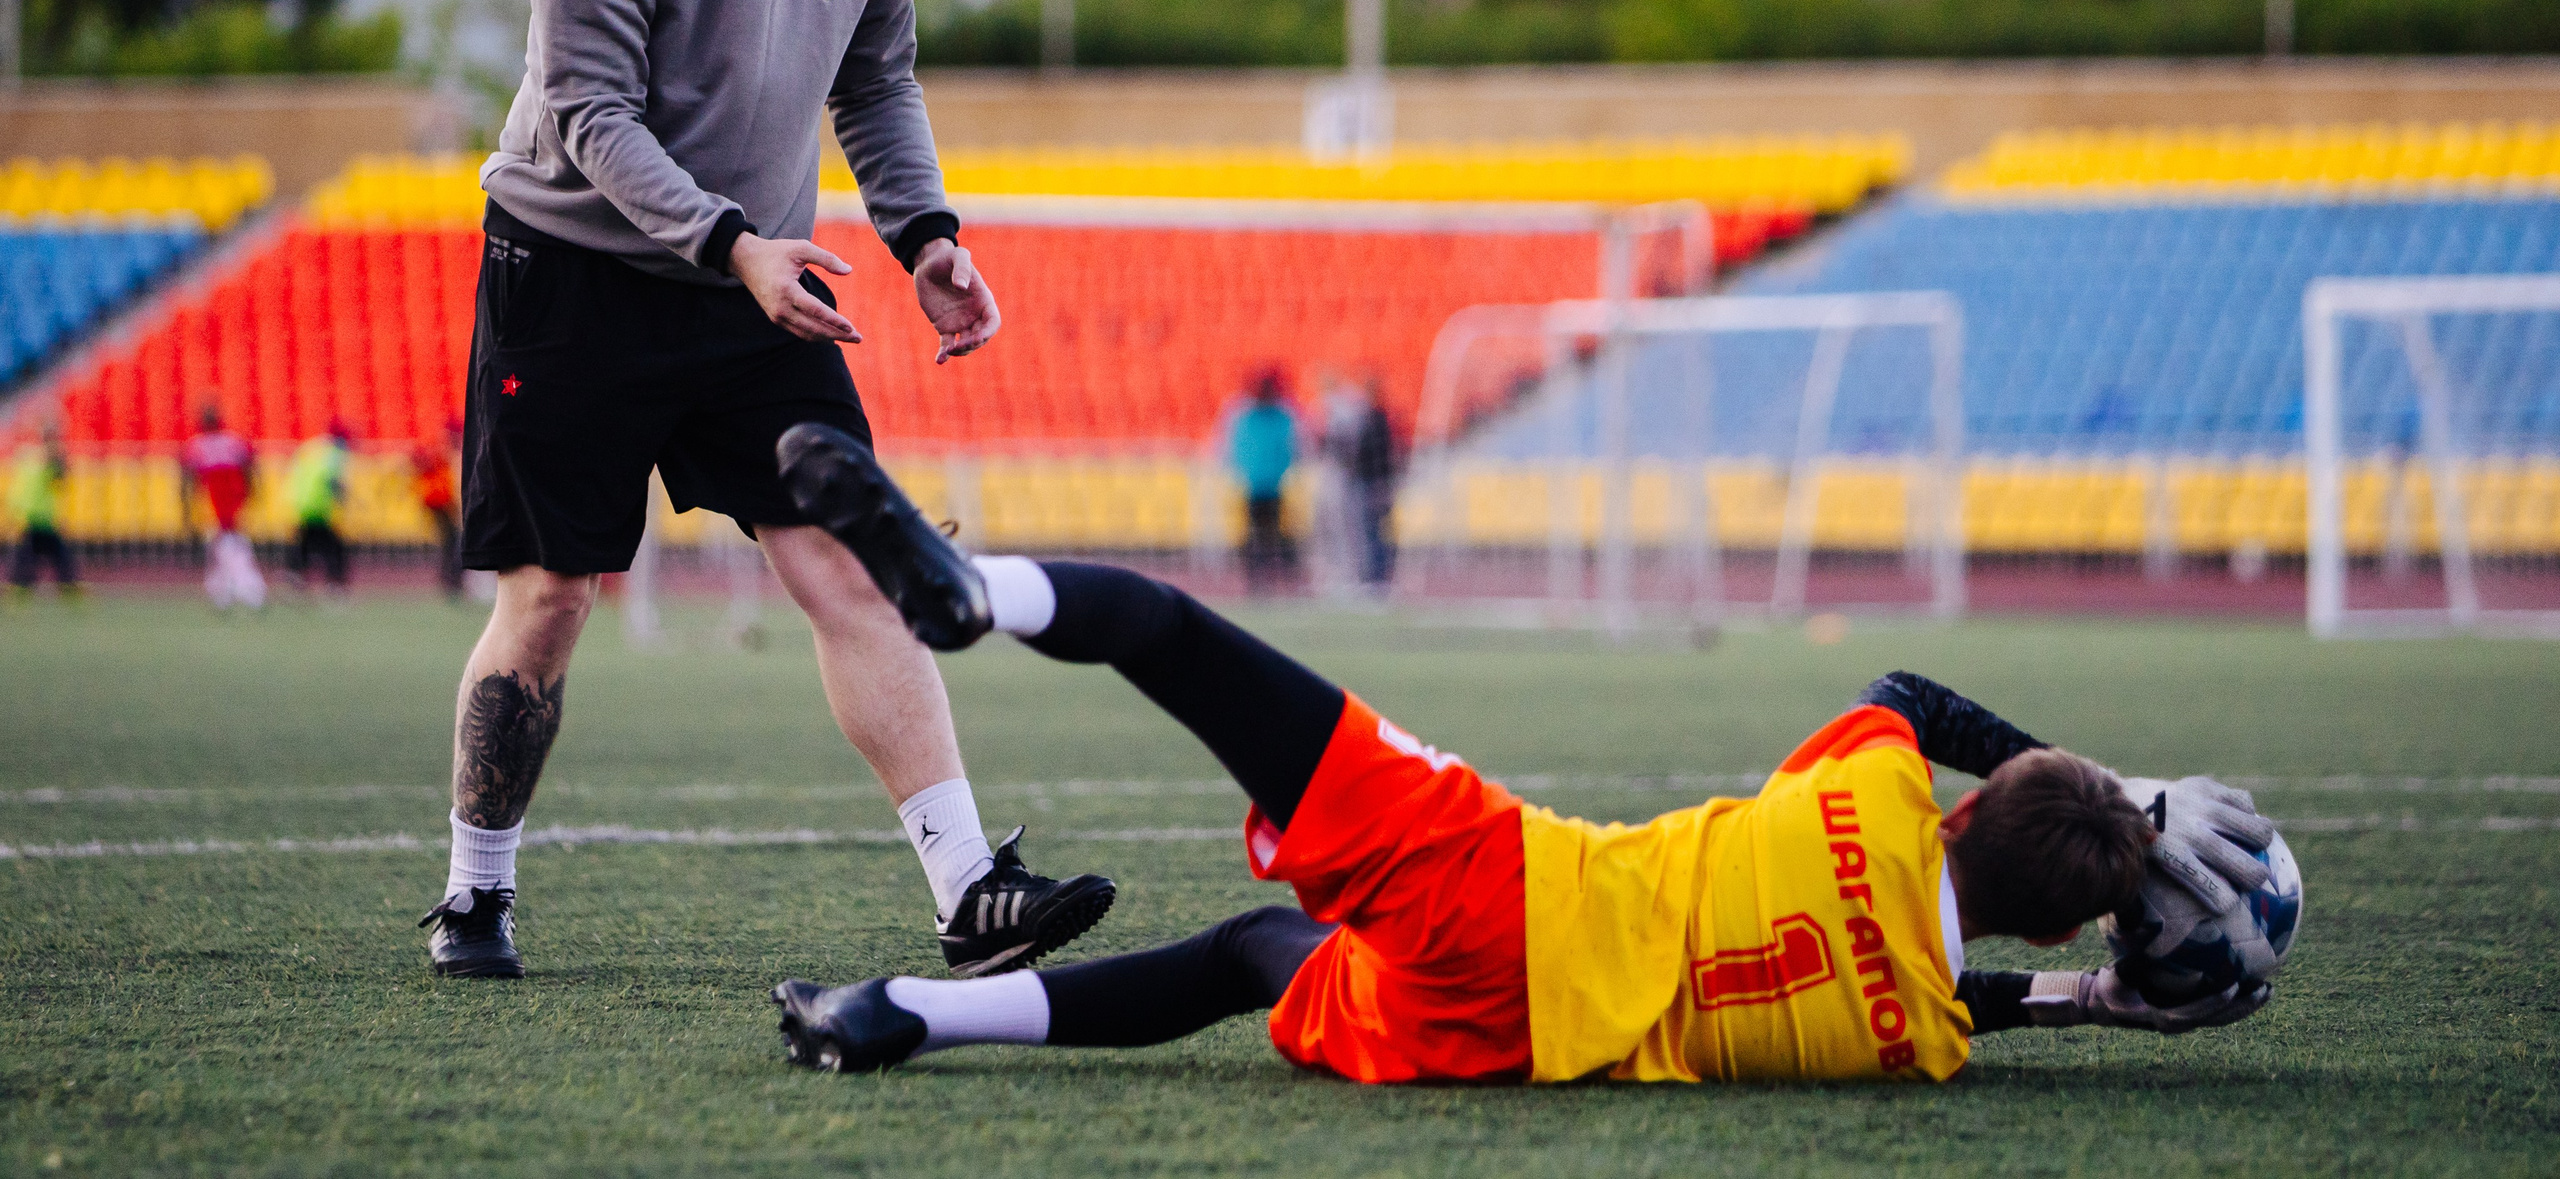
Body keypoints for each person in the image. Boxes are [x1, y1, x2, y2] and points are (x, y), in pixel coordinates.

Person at [769, 426, 2280, 1084]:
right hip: (1502, 1039)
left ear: (1967, 797)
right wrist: (2100, 991)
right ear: (2057, 922)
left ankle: (983, 596)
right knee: (1249, 954)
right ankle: (908, 1011)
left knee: (1174, 632)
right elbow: (1980, 989)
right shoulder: (1923, 1034)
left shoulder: (1873, 787)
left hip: (1503, 882)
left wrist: (2128, 792)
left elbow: (1909, 691)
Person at [416, 0, 1113, 984]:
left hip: (754, 287)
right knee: (553, 598)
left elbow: (875, 75)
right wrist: (731, 239)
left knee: (851, 565)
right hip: (578, 280)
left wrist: (924, 233)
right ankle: (475, 889)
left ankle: (970, 887)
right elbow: (593, 115)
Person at [181, 402, 263, 610]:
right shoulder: (233, 441)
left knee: (226, 549)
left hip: (218, 504)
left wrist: (188, 510)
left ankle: (242, 592)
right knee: (230, 548)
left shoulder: (197, 445)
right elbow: (251, 469)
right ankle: (234, 592)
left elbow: (187, 480)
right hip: (228, 502)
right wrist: (253, 493)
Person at [1228, 369, 1298, 593]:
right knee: (1254, 534)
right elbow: (1238, 450)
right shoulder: (1245, 416)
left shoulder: (1281, 416)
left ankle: (1271, 577)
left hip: (1274, 485)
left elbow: (1290, 448)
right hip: (1254, 485)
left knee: (1272, 534)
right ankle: (1256, 578)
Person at [6, 420, 78, 598]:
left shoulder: (31, 456)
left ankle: (66, 587)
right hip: (33, 516)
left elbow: (60, 476)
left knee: (48, 554)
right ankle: (21, 589)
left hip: (40, 516)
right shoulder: (40, 457)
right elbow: (59, 472)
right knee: (32, 555)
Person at [284, 423, 353, 594]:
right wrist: (343, 497)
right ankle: (334, 584)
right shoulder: (334, 454)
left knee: (308, 542)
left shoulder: (311, 448)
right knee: (332, 546)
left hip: (303, 503)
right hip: (320, 505)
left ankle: (295, 574)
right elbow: (333, 480)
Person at [1345, 373, 1399, 589]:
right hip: (1371, 481)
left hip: (1373, 482)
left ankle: (1378, 576)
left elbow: (1376, 455)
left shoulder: (1376, 419)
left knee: (1373, 529)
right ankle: (1374, 574)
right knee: (1371, 529)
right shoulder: (1372, 418)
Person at [412, 421, 463, 601]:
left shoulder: (449, 452)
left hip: (446, 504)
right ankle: (452, 582)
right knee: (453, 543)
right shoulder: (443, 451)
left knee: (453, 543)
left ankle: (452, 581)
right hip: (442, 503)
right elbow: (417, 460)